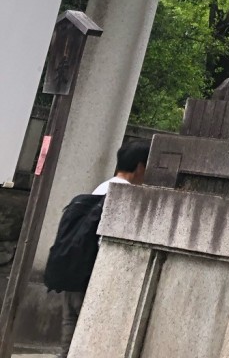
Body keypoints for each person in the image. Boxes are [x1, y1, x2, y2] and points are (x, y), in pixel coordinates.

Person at [45, 140, 149, 358]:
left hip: (73, 270)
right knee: (91, 334)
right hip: (94, 276)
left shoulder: (101, 187)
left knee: (70, 328)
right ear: (140, 166)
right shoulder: (126, 196)